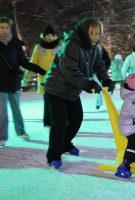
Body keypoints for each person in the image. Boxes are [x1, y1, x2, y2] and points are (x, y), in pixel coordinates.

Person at [43, 17, 114, 169]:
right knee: (59, 123)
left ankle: (65, 144)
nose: (96, 37)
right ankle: (53, 155)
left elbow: (99, 65)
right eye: (92, 34)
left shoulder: (94, 48)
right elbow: (70, 70)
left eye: (98, 34)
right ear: (84, 33)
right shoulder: (71, 45)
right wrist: (87, 84)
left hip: (71, 91)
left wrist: (106, 80)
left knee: (77, 118)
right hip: (55, 89)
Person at [0, 16, 46, 146]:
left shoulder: (15, 43)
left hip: (13, 81)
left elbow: (24, 62)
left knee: (16, 109)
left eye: (7, 27)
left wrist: (40, 70)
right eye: (2, 27)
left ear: (10, 29)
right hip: (0, 83)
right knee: (2, 112)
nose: (4, 30)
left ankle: (20, 131)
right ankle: (2, 136)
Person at [22, 24, 60, 127]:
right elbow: (33, 64)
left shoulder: (59, 47)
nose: (49, 37)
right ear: (43, 36)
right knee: (48, 103)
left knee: (59, 103)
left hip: (58, 80)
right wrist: (26, 78)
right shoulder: (38, 48)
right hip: (45, 81)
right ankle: (47, 123)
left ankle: (60, 121)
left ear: (54, 36)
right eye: (47, 35)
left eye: (51, 35)